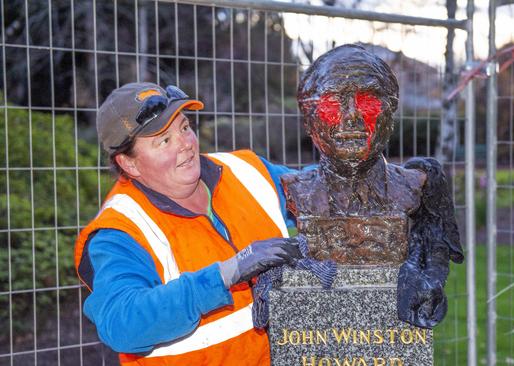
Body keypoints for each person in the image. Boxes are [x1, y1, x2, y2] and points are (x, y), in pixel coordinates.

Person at [73, 82, 304, 365]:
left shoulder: (247, 171)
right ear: (129, 164)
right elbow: (122, 322)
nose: (186, 144)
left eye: (184, 127)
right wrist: (226, 274)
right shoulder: (119, 232)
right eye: (164, 140)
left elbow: (319, 187)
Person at [282, 44, 464, 327]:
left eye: (367, 100)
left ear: (390, 113)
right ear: (309, 118)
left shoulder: (416, 187)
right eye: (332, 101)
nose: (351, 115)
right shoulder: (296, 190)